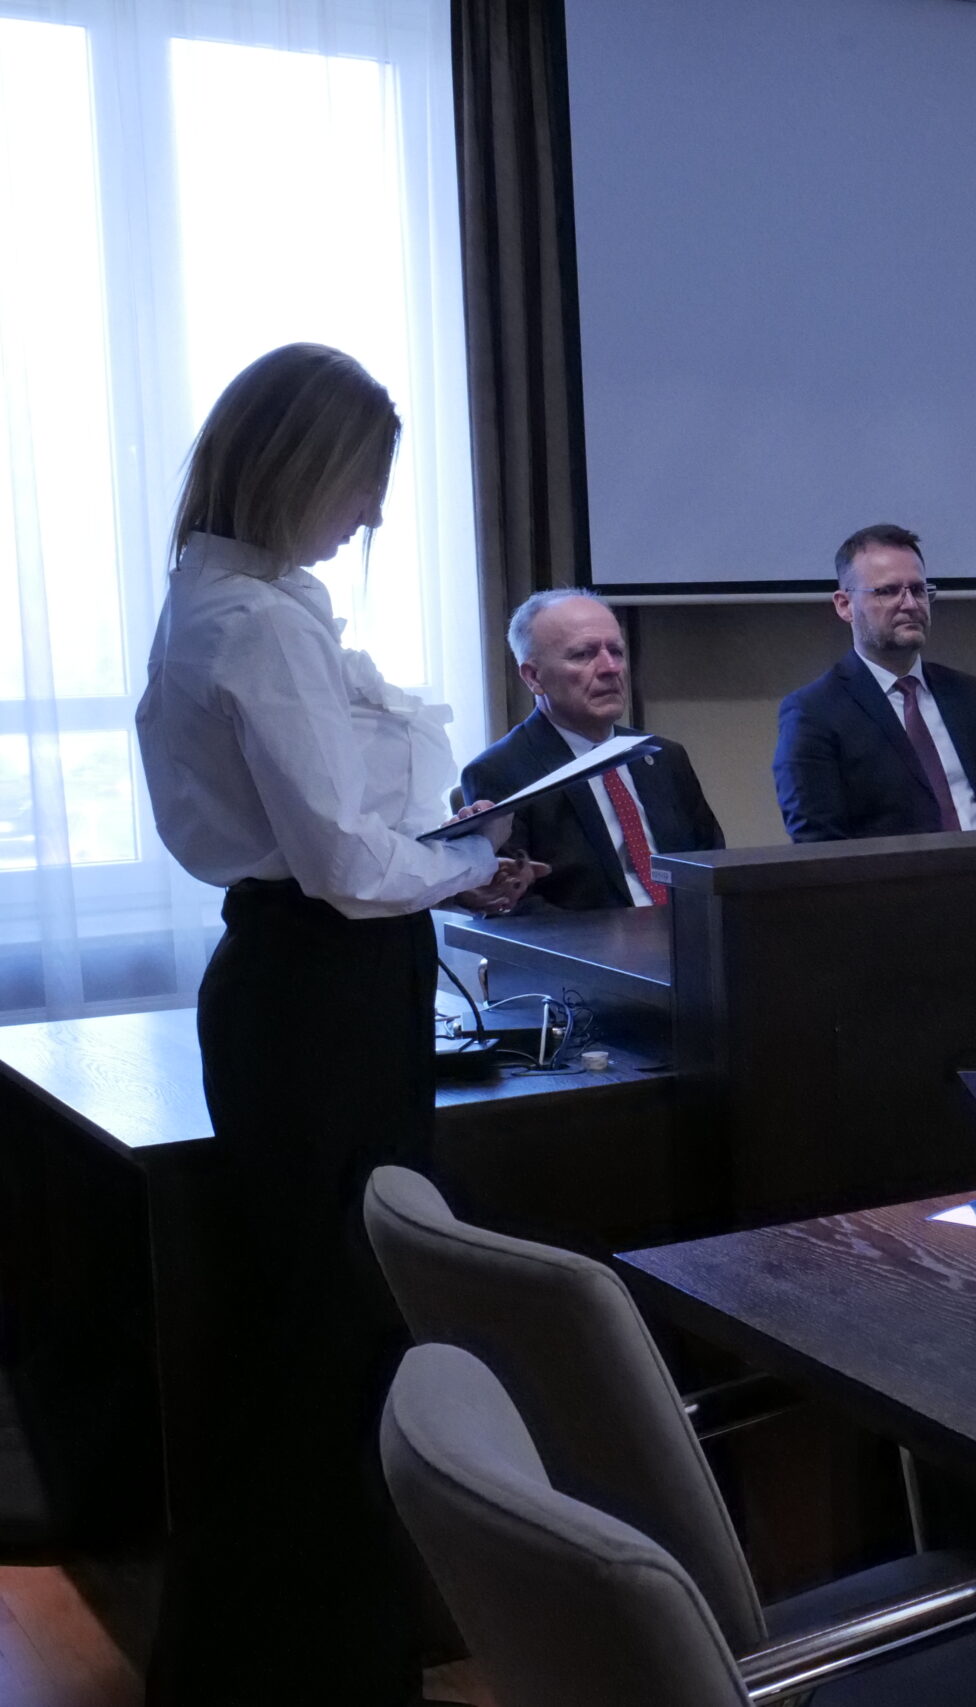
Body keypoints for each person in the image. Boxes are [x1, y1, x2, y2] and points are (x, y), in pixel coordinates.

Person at [133, 343, 540, 1705]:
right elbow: (351, 868)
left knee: (312, 1334)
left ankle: (274, 1663)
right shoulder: (258, 622)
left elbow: (340, 840)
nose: (369, 514)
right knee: (343, 1337)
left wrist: (446, 855)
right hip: (324, 992)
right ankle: (334, 1670)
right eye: (363, 484)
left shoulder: (221, 595)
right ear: (302, 466)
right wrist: (467, 861)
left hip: (295, 982)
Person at [775, 523, 976, 841]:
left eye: (918, 590)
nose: (910, 604)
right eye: (888, 591)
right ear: (844, 605)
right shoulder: (814, 713)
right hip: (896, 873)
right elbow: (818, 847)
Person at [464, 590, 724, 911]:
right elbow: (515, 905)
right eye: (583, 655)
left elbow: (712, 865)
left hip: (687, 933)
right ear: (533, 677)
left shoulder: (663, 756)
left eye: (616, 651)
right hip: (588, 940)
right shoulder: (500, 771)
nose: (610, 667)